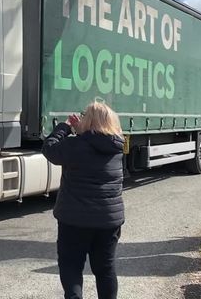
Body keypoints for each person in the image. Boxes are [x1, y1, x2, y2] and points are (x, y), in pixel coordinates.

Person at [42, 101, 125, 299]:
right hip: (108, 220)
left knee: (71, 267)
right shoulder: (116, 147)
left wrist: (65, 127)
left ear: (86, 120)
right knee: (105, 269)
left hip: (74, 220)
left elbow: (49, 148)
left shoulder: (75, 145)